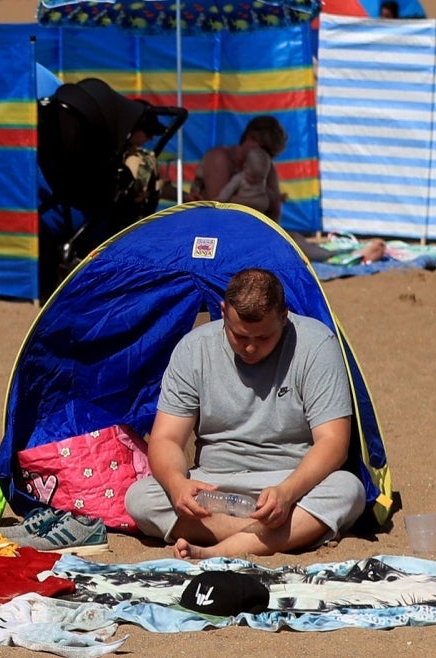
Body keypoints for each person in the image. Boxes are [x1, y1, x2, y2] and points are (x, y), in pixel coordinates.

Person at [127, 267, 364, 558]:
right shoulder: (194, 349)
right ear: (223, 312)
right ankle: (284, 536)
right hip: (216, 485)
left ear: (284, 316)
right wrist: (178, 485)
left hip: (291, 483)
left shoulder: (316, 345)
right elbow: (166, 439)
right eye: (239, 336)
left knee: (348, 489)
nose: (251, 347)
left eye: (264, 337)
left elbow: (333, 442)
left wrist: (287, 493)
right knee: (141, 498)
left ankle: (229, 548)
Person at [188, 114, 288, 218]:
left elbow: (275, 209)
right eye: (266, 150)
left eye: (272, 154)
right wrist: (261, 201)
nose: (267, 157)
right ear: (250, 138)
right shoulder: (220, 158)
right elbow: (219, 205)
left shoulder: (265, 163)